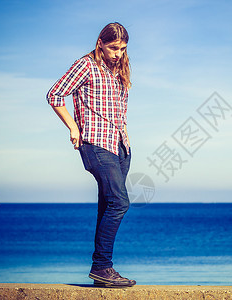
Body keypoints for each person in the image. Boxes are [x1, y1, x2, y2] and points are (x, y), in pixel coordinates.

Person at [46, 22, 135, 288]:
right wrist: (73, 127)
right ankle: (101, 266)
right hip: (95, 143)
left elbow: (120, 109)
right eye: (113, 47)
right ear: (100, 43)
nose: (118, 53)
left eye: (123, 48)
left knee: (109, 205)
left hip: (120, 146)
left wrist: (126, 136)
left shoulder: (119, 68)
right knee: (120, 203)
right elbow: (54, 94)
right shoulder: (85, 65)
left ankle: (102, 273)